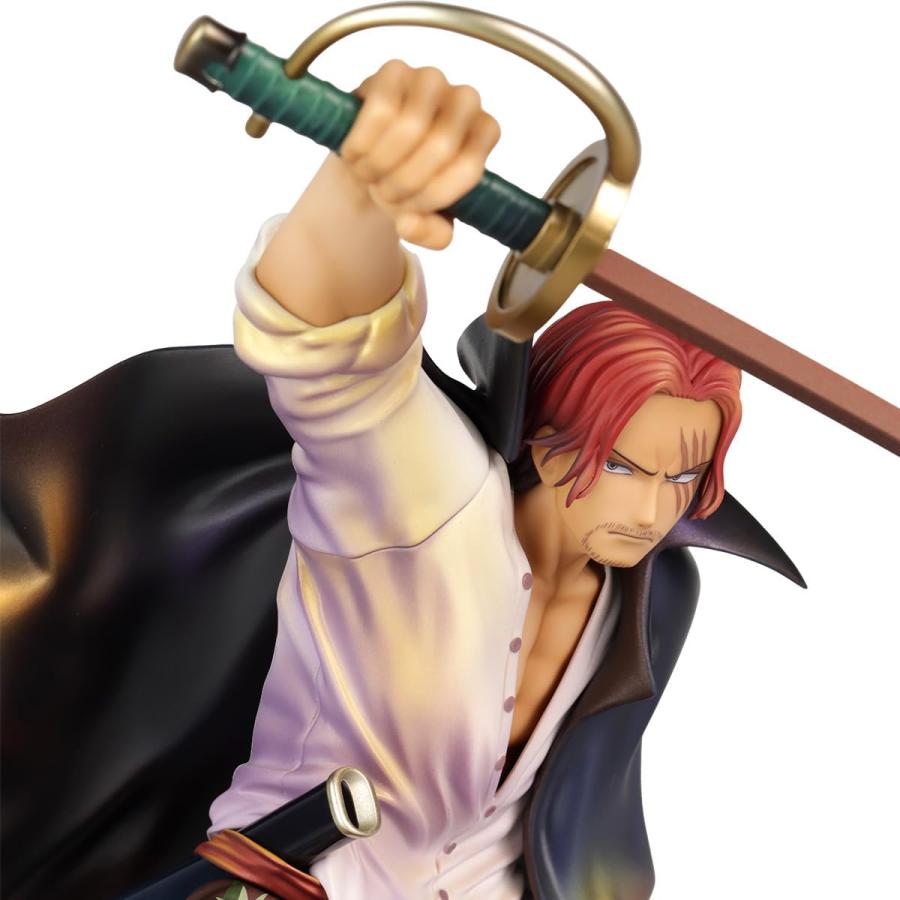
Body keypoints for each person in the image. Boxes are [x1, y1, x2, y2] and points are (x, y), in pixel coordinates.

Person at [196, 60, 801, 900]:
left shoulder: (655, 595)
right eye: (621, 464)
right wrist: (362, 185)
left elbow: (579, 804)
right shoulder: (430, 498)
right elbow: (330, 353)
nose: (653, 508)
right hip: (305, 880)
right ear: (549, 443)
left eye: (683, 476)